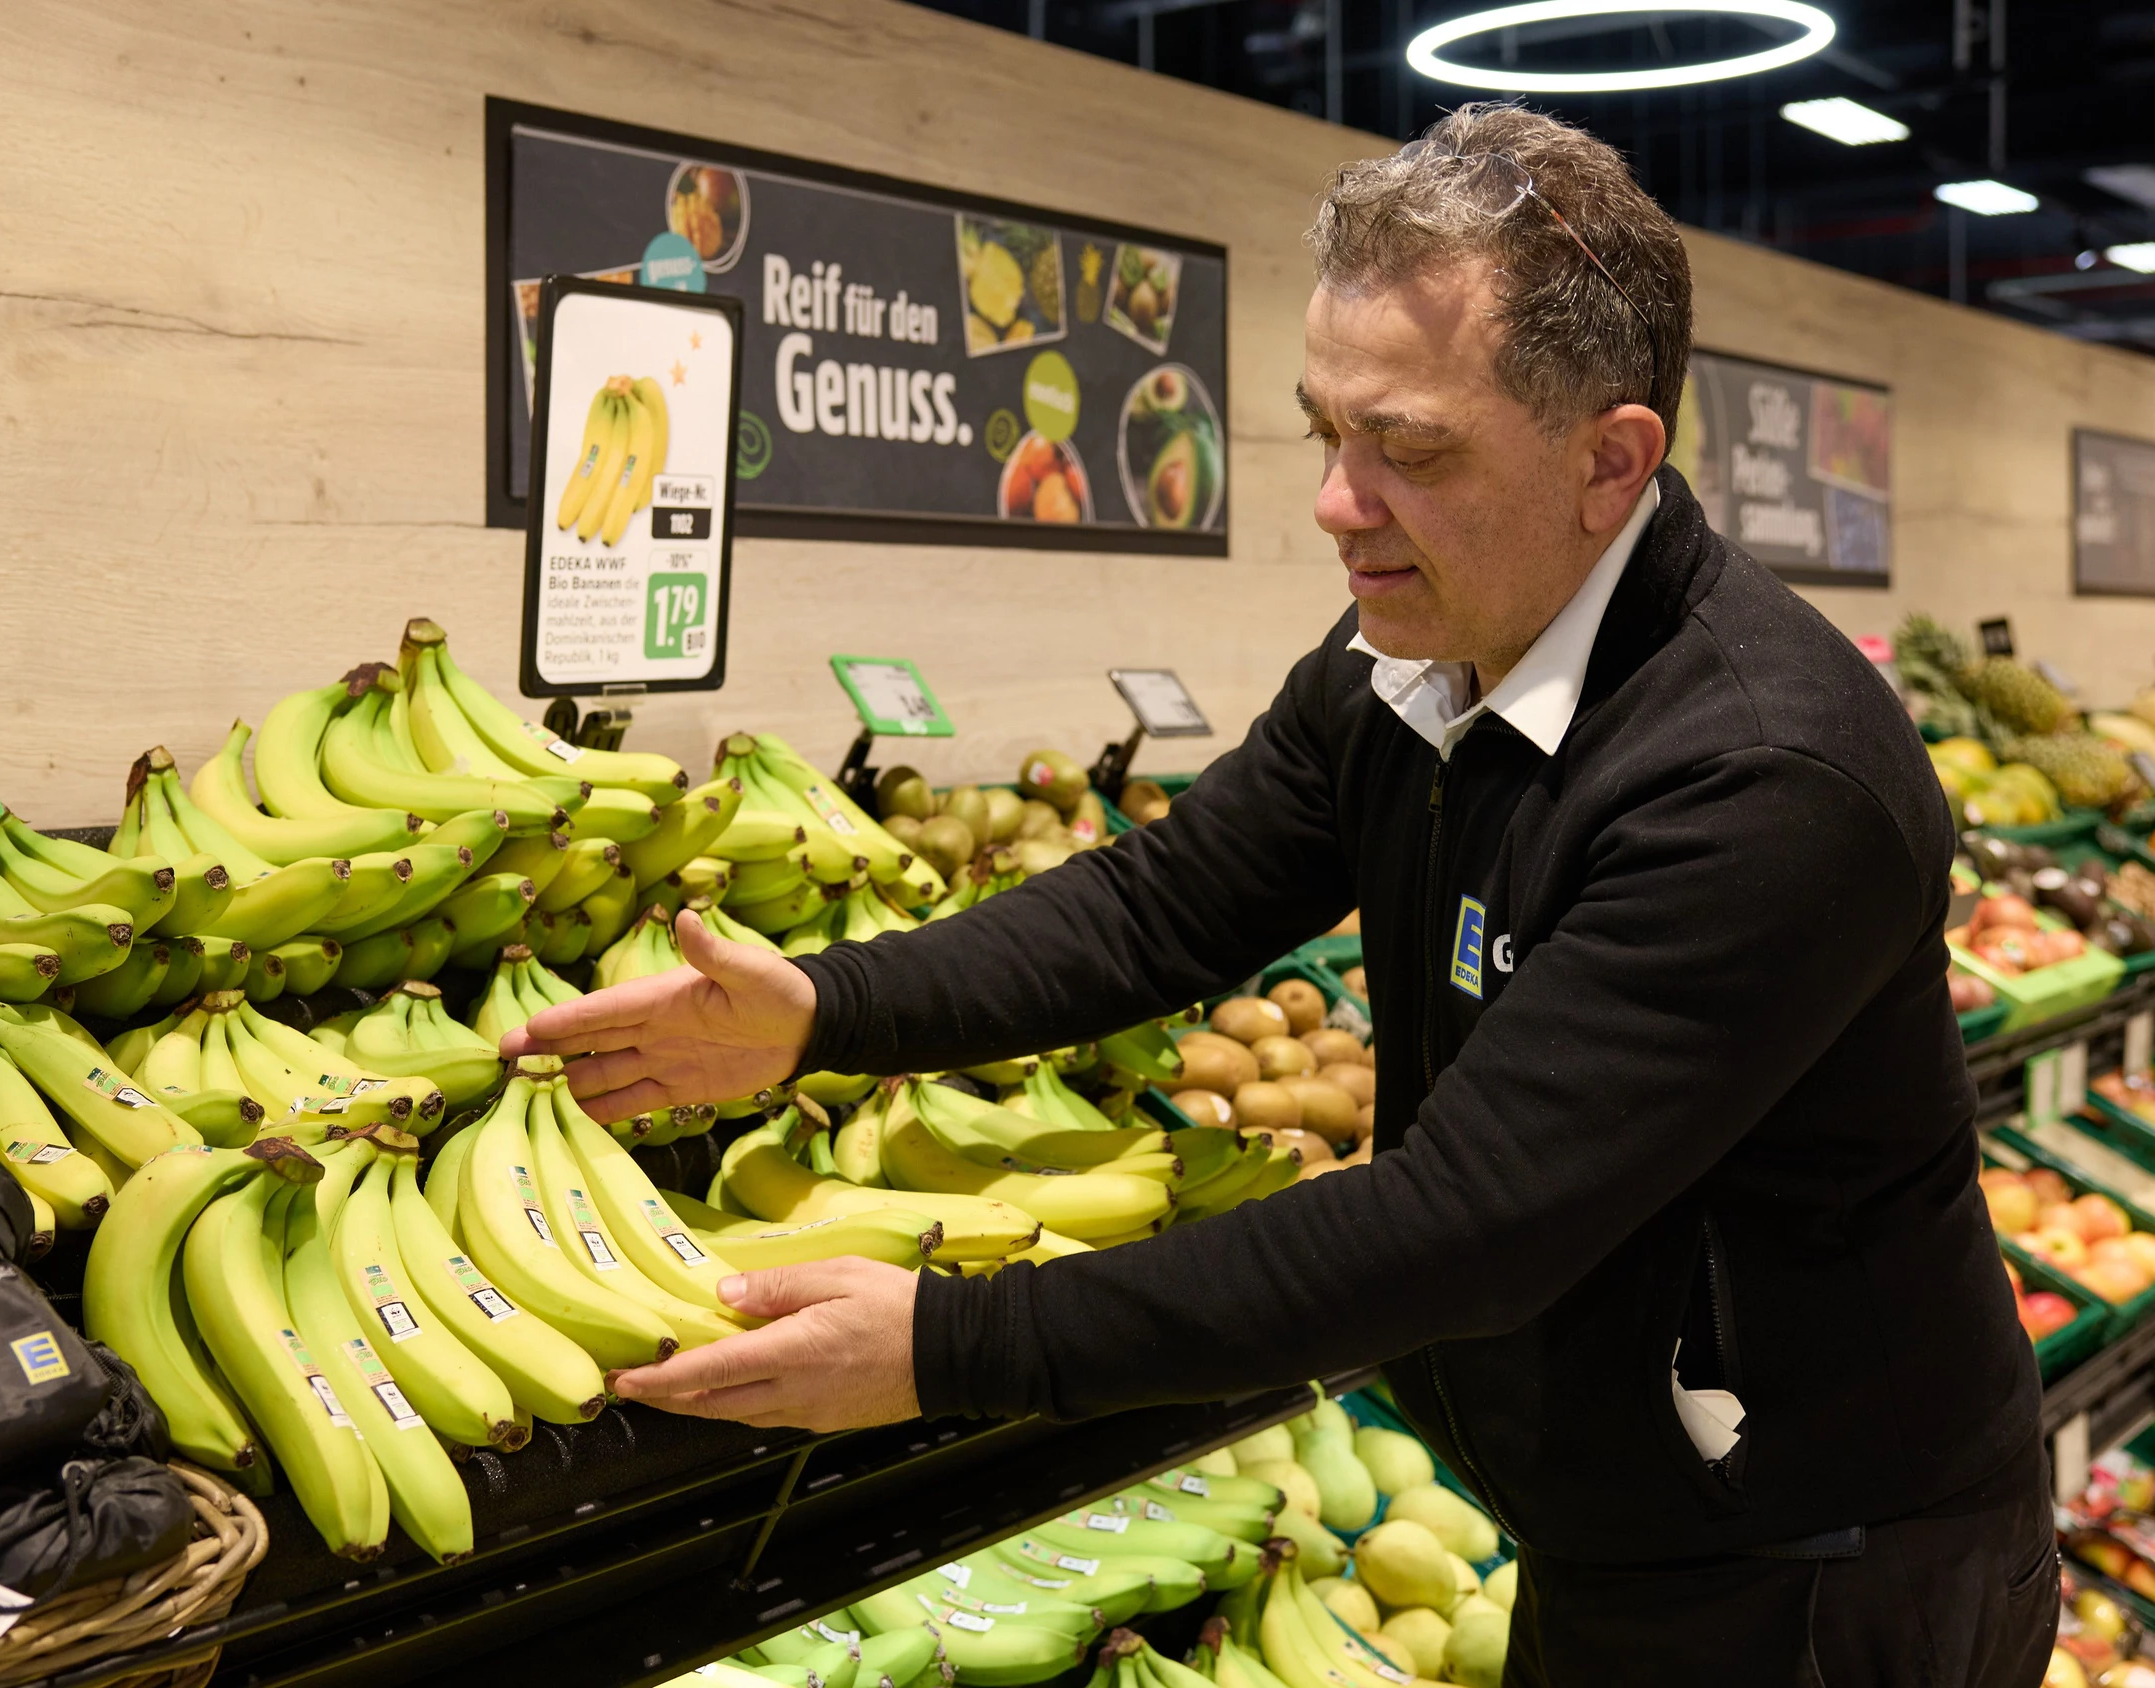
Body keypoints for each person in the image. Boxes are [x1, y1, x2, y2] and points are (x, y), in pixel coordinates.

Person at [506, 103, 2050, 1685]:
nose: (1337, 502)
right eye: (1328, 432)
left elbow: (1460, 1230)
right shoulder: (1419, 656)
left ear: (1612, 463)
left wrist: (941, 1347)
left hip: (1817, 1569)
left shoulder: (1765, 780)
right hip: (1613, 1517)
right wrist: (830, 1009)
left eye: (1413, 450)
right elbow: (1165, 905)